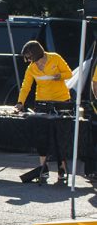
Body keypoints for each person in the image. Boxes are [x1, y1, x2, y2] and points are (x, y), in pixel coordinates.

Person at [14, 40, 73, 182]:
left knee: (59, 136)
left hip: (61, 101)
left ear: (35, 53)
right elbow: (26, 86)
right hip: (41, 102)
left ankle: (62, 168)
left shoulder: (55, 58)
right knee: (42, 135)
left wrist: (60, 76)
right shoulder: (31, 68)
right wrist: (20, 103)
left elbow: (69, 73)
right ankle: (43, 169)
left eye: (28, 56)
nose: (28, 59)